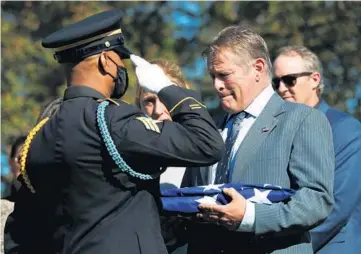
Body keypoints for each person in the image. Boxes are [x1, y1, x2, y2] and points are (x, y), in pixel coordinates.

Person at [4, 10, 224, 254]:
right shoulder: (114, 121)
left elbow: (21, 231)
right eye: (120, 59)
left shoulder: (39, 137)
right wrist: (167, 88)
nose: (122, 68)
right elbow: (207, 144)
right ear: (106, 60)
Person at [183, 26, 335, 254]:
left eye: (224, 75)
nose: (217, 85)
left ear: (258, 68)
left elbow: (316, 200)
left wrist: (249, 217)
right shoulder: (208, 127)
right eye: (213, 76)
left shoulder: (302, 120)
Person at [273, 45, 361, 254]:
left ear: (314, 79)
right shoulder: (278, 131)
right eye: (276, 82)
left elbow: (337, 207)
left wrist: (286, 249)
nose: (281, 88)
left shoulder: (345, 130)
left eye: (290, 79)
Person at [136, 58, 191, 190]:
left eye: (167, 98)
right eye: (149, 101)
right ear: (139, 105)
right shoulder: (129, 154)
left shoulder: (210, 144)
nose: (158, 111)